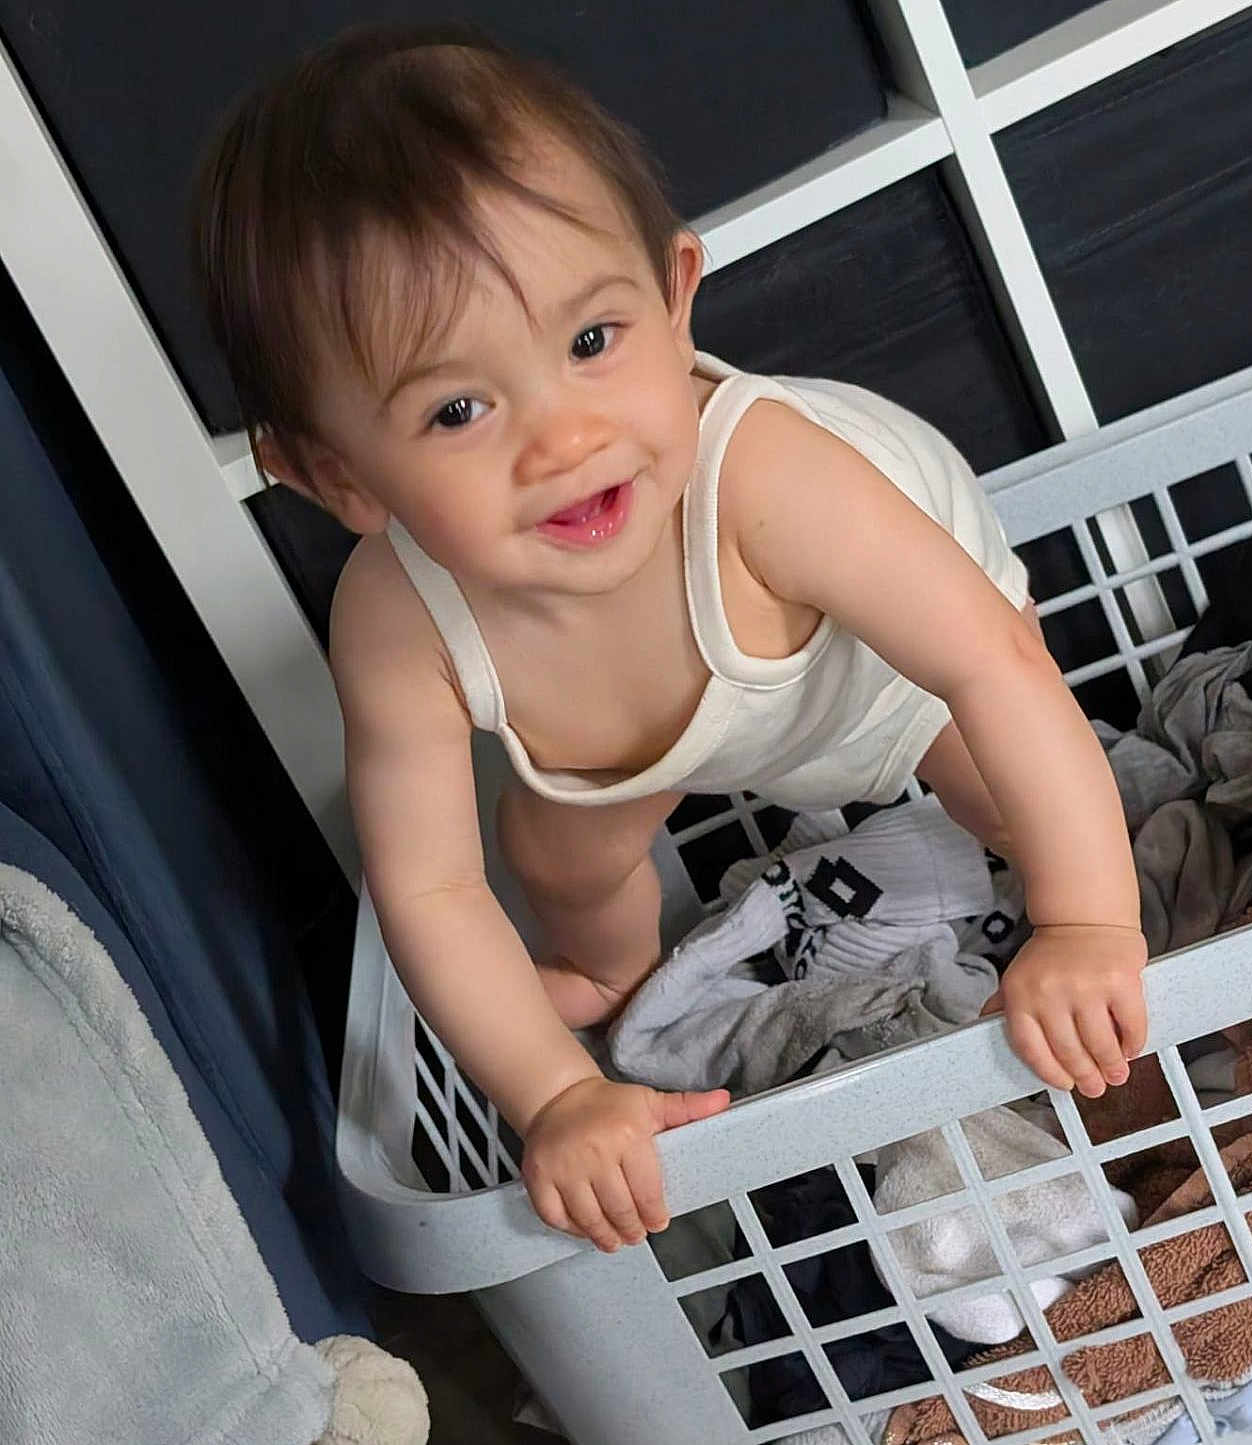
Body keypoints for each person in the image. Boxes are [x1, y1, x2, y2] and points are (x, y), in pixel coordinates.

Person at [193, 25, 1148, 1254]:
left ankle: (1079, 904)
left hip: (886, 665)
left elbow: (990, 662)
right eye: (458, 409)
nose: (565, 440)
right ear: (334, 476)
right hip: (634, 733)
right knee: (554, 855)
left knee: (1013, 797)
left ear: (674, 291)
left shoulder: (769, 476)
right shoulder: (393, 623)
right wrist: (557, 1092)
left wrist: (1081, 923)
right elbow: (430, 885)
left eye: (592, 343)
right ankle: (604, 976)